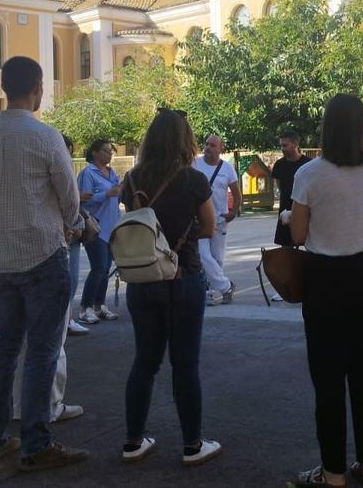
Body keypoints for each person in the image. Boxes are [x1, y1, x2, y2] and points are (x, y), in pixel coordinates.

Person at [0, 56, 88, 471]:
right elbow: (70, 199)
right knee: (42, 352)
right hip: (42, 256)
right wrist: (77, 226)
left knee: (4, 347)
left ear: (4, 88)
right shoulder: (46, 137)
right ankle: (36, 444)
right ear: (37, 88)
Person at [288, 94, 363, 487]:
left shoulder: (309, 174)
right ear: (362, 127)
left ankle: (332, 473)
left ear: (326, 127)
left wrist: (292, 216)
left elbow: (298, 235)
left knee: (328, 377)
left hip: (324, 277)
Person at [119, 109, 223, 466]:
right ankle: (193, 444)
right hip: (183, 276)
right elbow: (209, 227)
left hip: (143, 278)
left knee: (144, 362)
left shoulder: (132, 178)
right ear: (184, 140)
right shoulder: (193, 179)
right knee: (185, 364)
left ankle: (133, 441)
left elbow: (135, 222)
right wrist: (182, 235)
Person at [193, 134, 242, 306]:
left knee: (217, 258)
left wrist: (233, 212)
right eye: (207, 144)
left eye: (213, 145)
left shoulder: (227, 169)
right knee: (203, 256)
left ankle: (212, 292)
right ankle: (226, 286)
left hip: (220, 221)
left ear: (221, 149)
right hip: (199, 220)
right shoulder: (194, 164)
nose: (208, 147)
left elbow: (237, 194)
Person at [77, 139, 121, 325]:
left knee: (105, 268)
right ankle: (85, 307)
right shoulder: (88, 173)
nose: (109, 154)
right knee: (99, 267)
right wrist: (106, 194)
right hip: (95, 227)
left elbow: (117, 196)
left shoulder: (112, 173)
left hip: (112, 227)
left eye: (111, 151)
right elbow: (84, 200)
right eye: (105, 150)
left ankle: (99, 305)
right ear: (94, 153)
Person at [62, 135, 88, 336]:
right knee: (67, 280)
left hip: (69, 233)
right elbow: (69, 199)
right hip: (62, 234)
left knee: (72, 279)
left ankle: (67, 319)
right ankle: (65, 321)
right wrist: (74, 225)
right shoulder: (60, 169)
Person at [272, 129, 311, 247]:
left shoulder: (308, 164)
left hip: (305, 209)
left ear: (295, 144)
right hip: (285, 210)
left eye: (285, 145)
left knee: (310, 245)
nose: (282, 148)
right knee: (286, 249)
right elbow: (280, 186)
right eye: (281, 146)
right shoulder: (279, 165)